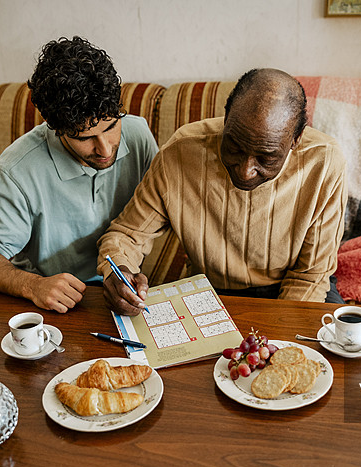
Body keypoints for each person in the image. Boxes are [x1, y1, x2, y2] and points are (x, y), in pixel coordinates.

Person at [98, 68, 347, 316]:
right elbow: (127, 235)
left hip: (296, 288)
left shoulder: (324, 163)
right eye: (235, 148)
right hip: (210, 290)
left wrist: (275, 332)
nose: (246, 171)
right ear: (225, 119)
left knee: (326, 349)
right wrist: (118, 270)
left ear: (296, 139)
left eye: (266, 157)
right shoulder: (180, 153)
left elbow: (310, 276)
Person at [0, 36, 158, 313]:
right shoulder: (16, 171)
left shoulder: (138, 134)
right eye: (85, 137)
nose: (104, 149)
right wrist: (32, 286)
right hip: (55, 303)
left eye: (111, 126)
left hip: (125, 291)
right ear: (55, 127)